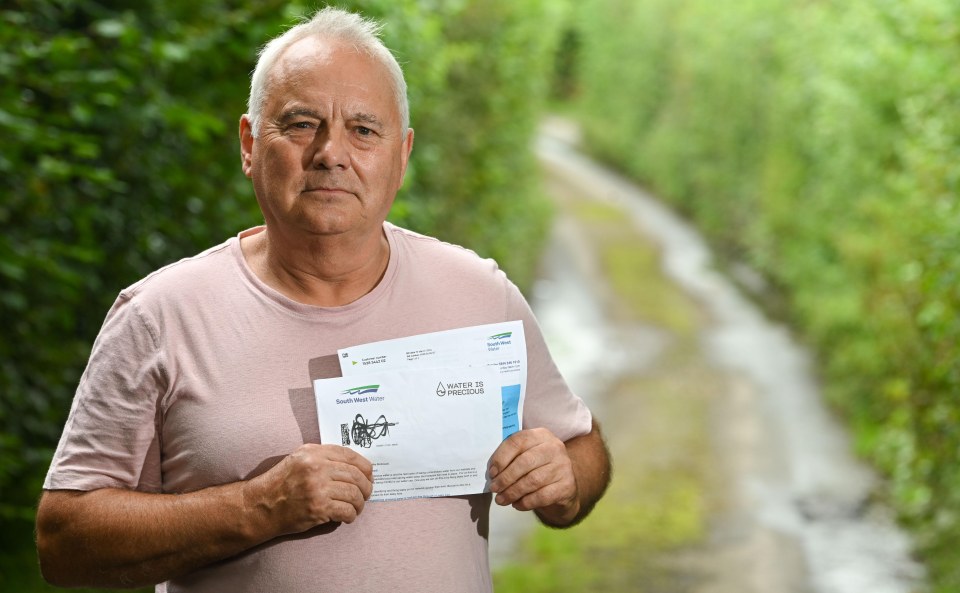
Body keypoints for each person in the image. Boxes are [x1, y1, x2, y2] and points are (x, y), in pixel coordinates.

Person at [35, 7, 610, 593]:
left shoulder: (478, 292)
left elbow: (582, 445)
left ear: (401, 156)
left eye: (363, 130)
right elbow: (63, 542)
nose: (331, 152)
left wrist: (564, 479)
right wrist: (257, 507)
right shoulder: (160, 316)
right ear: (249, 144)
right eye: (302, 123)